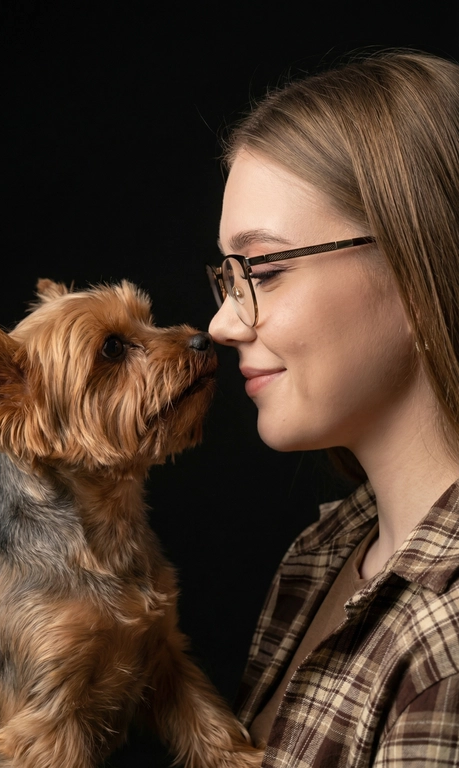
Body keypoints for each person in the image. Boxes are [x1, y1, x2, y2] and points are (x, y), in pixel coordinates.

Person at [206, 50, 459, 766]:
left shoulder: (446, 647)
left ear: (416, 272)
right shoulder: (323, 554)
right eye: (227, 277)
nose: (221, 324)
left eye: (264, 270)